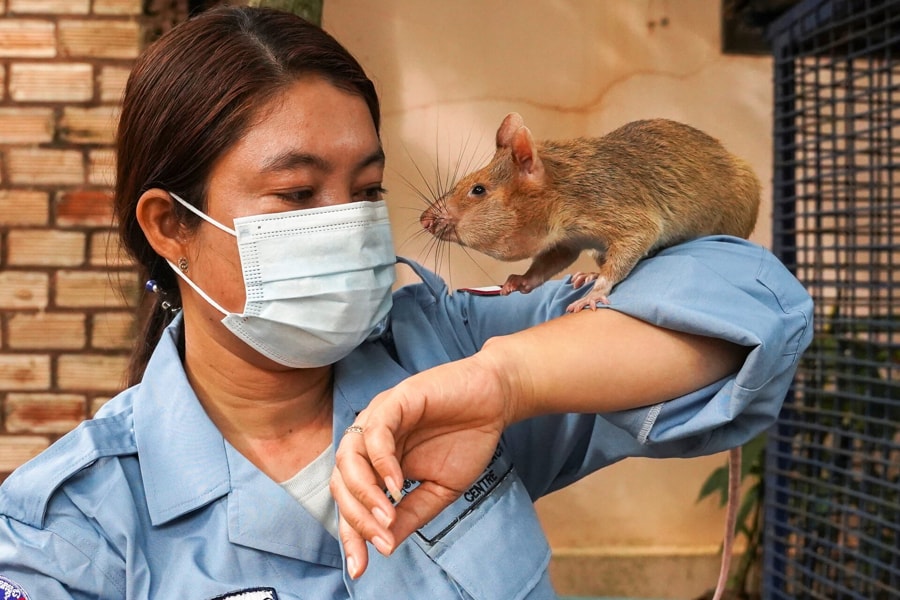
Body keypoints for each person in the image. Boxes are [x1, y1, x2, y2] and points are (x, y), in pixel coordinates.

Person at [0, 5, 812, 600]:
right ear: (172, 225)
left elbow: (748, 300)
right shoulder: (69, 526)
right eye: (295, 192)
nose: (349, 224)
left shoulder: (445, 354)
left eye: (367, 189)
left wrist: (507, 384)